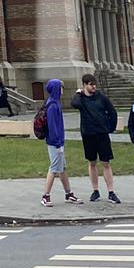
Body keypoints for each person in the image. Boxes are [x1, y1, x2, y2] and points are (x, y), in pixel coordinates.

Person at [71, 73, 120, 203]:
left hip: (102, 133)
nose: (93, 87)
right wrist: (78, 93)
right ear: (85, 85)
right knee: (92, 162)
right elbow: (74, 104)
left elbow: (112, 112)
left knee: (106, 162)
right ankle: (95, 190)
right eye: (91, 85)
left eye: (94, 84)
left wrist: (110, 127)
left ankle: (111, 191)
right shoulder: (81, 98)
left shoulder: (101, 97)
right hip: (88, 134)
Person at [39, 78, 79, 206]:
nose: (62, 90)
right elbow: (52, 126)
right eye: (60, 87)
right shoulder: (52, 105)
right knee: (54, 168)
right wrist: (57, 143)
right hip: (54, 142)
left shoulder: (55, 103)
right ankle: (45, 195)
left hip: (58, 141)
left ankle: (68, 193)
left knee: (62, 168)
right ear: (56, 89)